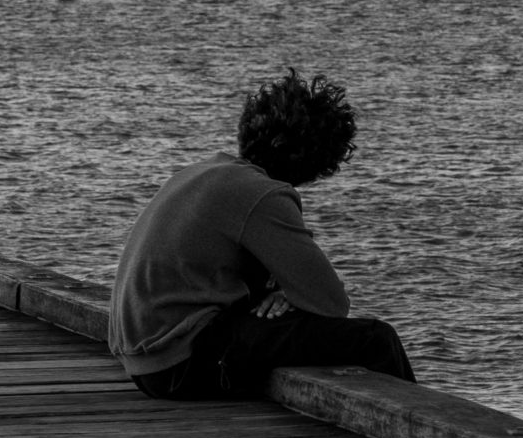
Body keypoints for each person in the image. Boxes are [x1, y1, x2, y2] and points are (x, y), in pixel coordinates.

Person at [110, 69, 415, 400]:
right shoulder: (263, 195)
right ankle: (420, 434)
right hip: (181, 363)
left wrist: (286, 293)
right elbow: (331, 302)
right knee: (375, 338)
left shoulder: (201, 173)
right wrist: (293, 295)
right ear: (317, 161)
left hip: (144, 360)